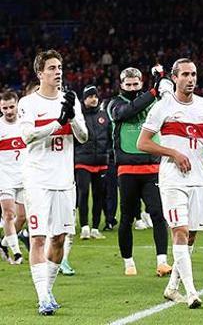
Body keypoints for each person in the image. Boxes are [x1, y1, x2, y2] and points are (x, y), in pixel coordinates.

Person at [138, 58, 203, 308]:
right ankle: (192, 291)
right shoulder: (163, 107)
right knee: (180, 232)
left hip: (198, 178)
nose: (191, 79)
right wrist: (173, 153)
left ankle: (172, 287)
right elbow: (143, 143)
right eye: (185, 74)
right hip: (173, 179)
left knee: (191, 234)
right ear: (174, 78)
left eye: (194, 74)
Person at [17, 49, 88, 315]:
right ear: (40, 73)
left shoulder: (70, 99)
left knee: (58, 238)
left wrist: (70, 117)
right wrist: (57, 123)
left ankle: (47, 289)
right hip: (37, 178)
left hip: (64, 180)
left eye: (59, 67)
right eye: (52, 68)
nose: (58, 72)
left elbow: (83, 137)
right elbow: (26, 136)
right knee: (38, 237)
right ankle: (43, 296)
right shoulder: (28, 103)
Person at [108, 66, 173, 277]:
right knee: (127, 216)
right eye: (128, 85)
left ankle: (162, 261)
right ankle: (128, 262)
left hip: (152, 167)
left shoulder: (154, 101)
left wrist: (161, 83)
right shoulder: (114, 104)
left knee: (157, 214)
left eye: (136, 84)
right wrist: (152, 92)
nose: (132, 88)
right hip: (126, 168)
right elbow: (127, 112)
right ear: (121, 85)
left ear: (141, 83)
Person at [74, 85, 110, 241]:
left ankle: (95, 227)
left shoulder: (104, 116)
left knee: (99, 195)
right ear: (84, 99)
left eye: (95, 96)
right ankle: (84, 228)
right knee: (83, 193)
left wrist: (107, 153)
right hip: (82, 160)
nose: (93, 99)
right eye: (90, 96)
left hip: (101, 161)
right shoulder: (79, 115)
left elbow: (109, 136)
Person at [0, 91, 27, 265]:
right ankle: (16, 253)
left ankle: (3, 243)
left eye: (11, 107)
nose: (9, 111)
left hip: (24, 176)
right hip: (4, 177)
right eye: (5, 108)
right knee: (9, 215)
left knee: (22, 217)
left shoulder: (25, 124)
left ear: (17, 105)